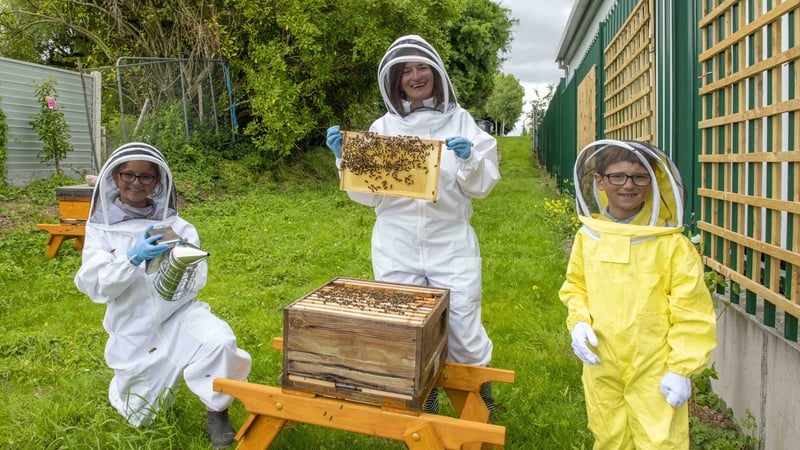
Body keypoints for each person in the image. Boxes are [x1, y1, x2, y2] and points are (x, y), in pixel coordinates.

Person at [325, 35, 501, 422]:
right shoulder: (383, 126)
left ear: (436, 74)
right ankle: (423, 408)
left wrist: (470, 159)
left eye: (422, 68)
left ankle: (480, 406)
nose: (415, 76)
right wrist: (346, 162)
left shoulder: (461, 121)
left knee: (463, 325)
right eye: (406, 70)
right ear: (395, 80)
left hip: (450, 241)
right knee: (405, 330)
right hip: (396, 242)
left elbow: (483, 186)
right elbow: (368, 198)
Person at [74, 142, 252, 449]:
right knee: (140, 413)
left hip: (180, 314)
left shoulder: (179, 226)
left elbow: (198, 276)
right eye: (128, 175)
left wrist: (172, 266)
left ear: (158, 182)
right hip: (133, 324)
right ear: (116, 177)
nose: (136, 183)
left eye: (146, 177)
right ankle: (133, 389)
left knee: (219, 341)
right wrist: (132, 258)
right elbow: (96, 284)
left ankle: (217, 412)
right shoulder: (101, 230)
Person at [559, 139, 717, 448]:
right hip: (602, 362)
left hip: (654, 367)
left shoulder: (670, 244)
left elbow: (692, 312)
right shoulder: (589, 236)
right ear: (600, 181)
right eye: (618, 176)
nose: (628, 185)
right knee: (609, 438)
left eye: (639, 176)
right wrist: (578, 322)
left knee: (660, 442)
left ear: (652, 181)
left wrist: (681, 368)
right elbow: (576, 286)